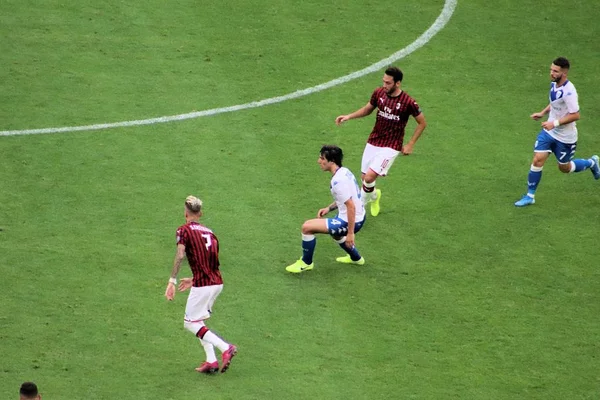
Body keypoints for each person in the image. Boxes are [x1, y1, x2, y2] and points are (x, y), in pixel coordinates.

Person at [335, 66, 427, 216]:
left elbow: (422, 123)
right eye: (384, 82)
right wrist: (349, 116)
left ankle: (359, 211)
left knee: (370, 177)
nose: (384, 85)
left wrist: (410, 144)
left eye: (388, 83)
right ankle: (375, 196)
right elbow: (367, 109)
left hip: (391, 145)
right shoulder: (379, 93)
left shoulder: (408, 102)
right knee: (365, 179)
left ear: (398, 83)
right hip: (374, 140)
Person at [164, 196, 237, 374]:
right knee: (198, 321)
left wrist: (172, 281)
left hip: (204, 285)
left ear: (185, 213)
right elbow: (212, 263)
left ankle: (225, 347)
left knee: (190, 323)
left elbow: (181, 255)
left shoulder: (184, 230)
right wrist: (194, 278)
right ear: (201, 213)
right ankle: (211, 361)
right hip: (216, 283)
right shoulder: (210, 233)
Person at [515, 57, 600, 206]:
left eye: (555, 71)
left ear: (564, 73)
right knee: (537, 159)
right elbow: (555, 103)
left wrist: (553, 123)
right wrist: (542, 113)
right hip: (549, 132)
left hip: (565, 137)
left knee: (564, 168)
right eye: (551, 70)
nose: (551, 73)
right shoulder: (554, 84)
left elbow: (576, 115)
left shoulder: (569, 92)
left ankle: (592, 163)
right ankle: (530, 196)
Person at [286, 145, 367, 273]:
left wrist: (350, 233)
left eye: (322, 158)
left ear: (332, 161)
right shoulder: (345, 171)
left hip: (351, 221)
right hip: (358, 216)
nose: (319, 161)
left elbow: (350, 206)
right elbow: (346, 198)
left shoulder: (337, 181)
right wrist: (329, 208)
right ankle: (356, 258)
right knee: (336, 234)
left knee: (307, 227)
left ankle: (306, 263)